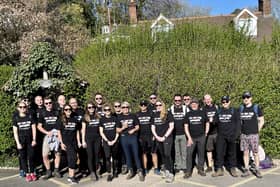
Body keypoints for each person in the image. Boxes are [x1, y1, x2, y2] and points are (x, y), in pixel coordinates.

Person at [212, 96, 239, 177]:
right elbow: (214, 122)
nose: (225, 103)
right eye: (223, 102)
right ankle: (219, 169)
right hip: (221, 136)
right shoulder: (219, 111)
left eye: (226, 102)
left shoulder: (234, 111)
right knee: (219, 153)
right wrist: (213, 119)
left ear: (229, 102)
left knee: (232, 153)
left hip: (231, 135)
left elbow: (238, 123)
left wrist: (236, 135)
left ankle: (232, 168)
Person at [117, 101, 144, 181]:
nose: (125, 109)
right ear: (121, 109)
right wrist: (123, 128)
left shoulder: (133, 116)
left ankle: (140, 171)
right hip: (124, 138)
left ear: (129, 108)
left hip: (133, 137)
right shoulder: (119, 117)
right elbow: (117, 130)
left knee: (136, 154)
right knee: (127, 155)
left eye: (126, 107)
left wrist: (133, 130)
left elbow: (138, 126)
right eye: (123, 107)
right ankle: (130, 171)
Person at [239, 91, 264, 178]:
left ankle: (257, 169)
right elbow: (240, 122)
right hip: (244, 134)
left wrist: (257, 131)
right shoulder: (241, 108)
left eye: (247, 97)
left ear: (251, 98)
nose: (246, 99)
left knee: (255, 153)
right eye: (244, 97)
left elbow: (261, 120)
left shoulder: (256, 107)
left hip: (254, 135)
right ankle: (246, 169)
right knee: (245, 153)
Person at [184, 98, 209, 179]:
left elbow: (207, 123)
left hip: (201, 137)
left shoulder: (202, 113)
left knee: (201, 153)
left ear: (198, 104)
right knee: (189, 154)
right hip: (191, 138)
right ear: (190, 105)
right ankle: (188, 171)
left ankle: (201, 169)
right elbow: (186, 127)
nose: (194, 105)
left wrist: (206, 133)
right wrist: (189, 138)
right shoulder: (188, 114)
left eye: (195, 103)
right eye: (192, 103)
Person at [37, 97, 62, 179]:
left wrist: (58, 134)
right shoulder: (42, 113)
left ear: (52, 103)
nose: (48, 105)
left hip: (57, 135)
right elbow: (39, 126)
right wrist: (47, 132)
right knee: (44, 155)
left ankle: (56, 170)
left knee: (57, 154)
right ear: (44, 104)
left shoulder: (57, 112)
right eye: (46, 103)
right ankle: (48, 171)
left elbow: (61, 124)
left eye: (50, 103)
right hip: (47, 136)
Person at [13, 101, 37, 182]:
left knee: (31, 157)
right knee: (23, 158)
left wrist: (34, 139)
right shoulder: (16, 118)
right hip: (21, 140)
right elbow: (15, 132)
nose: (23, 108)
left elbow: (34, 128)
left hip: (30, 140)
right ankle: (27, 174)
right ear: (18, 108)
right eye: (21, 107)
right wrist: (18, 143)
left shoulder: (30, 116)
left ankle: (32, 173)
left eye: (24, 107)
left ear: (26, 108)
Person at [151, 100, 175, 183]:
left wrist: (164, 137)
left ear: (163, 105)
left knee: (167, 155)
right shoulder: (154, 114)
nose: (158, 106)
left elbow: (171, 126)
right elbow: (153, 127)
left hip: (167, 138)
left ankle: (171, 173)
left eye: (160, 105)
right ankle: (167, 171)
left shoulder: (168, 114)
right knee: (163, 155)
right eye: (156, 105)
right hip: (158, 138)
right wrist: (157, 137)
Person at [58, 104, 80, 184]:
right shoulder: (61, 120)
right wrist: (61, 143)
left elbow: (77, 131)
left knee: (73, 158)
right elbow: (59, 132)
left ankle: (71, 176)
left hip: (74, 141)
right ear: (64, 111)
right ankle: (71, 177)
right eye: (66, 109)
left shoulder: (74, 120)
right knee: (73, 158)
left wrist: (79, 142)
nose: (68, 111)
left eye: (69, 109)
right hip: (66, 142)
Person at [136, 100, 160, 175]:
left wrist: (154, 135)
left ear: (147, 105)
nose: (143, 106)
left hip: (150, 136)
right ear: (139, 106)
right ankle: (145, 169)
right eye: (142, 105)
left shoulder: (151, 113)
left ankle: (156, 168)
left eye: (145, 105)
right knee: (144, 153)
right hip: (141, 137)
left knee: (154, 152)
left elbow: (154, 125)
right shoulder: (137, 114)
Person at [81, 102, 101, 181]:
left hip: (97, 138)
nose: (91, 108)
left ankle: (96, 170)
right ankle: (92, 172)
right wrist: (83, 141)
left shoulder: (98, 116)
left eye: (92, 107)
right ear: (87, 109)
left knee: (97, 155)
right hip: (88, 139)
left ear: (95, 107)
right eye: (89, 107)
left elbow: (100, 128)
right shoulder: (85, 117)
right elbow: (83, 130)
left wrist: (102, 139)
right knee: (90, 156)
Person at [99, 104, 120, 181]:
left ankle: (115, 171)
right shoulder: (101, 120)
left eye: (108, 110)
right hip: (106, 141)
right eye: (105, 110)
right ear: (103, 111)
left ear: (111, 110)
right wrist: (107, 141)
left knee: (115, 157)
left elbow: (118, 131)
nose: (107, 111)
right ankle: (109, 173)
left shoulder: (115, 119)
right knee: (107, 157)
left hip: (115, 140)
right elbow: (101, 132)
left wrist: (114, 140)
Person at [168, 94, 188, 174]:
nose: (177, 102)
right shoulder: (171, 109)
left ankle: (184, 166)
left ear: (181, 101)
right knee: (177, 152)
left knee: (184, 151)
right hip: (174, 134)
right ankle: (178, 166)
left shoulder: (185, 108)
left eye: (179, 100)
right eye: (176, 100)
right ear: (174, 100)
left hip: (183, 133)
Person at [69, 97, 87, 176]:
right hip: (72, 136)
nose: (74, 104)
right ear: (69, 104)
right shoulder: (68, 112)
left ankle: (83, 169)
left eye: (75, 102)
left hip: (82, 134)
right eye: (72, 103)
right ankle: (72, 169)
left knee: (82, 153)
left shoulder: (82, 111)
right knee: (73, 154)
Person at [202, 94, 218, 172]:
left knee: (218, 149)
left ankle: (218, 165)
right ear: (204, 101)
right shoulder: (203, 109)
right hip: (208, 133)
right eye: (206, 99)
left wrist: (213, 120)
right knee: (209, 150)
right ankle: (210, 166)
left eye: (209, 99)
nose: (207, 100)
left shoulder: (216, 107)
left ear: (211, 99)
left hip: (216, 132)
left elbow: (218, 118)